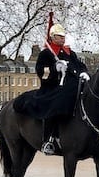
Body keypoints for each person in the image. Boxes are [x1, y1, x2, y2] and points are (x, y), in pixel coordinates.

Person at [35, 23, 90, 155]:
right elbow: (41, 72)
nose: (62, 39)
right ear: (53, 37)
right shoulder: (46, 53)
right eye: (59, 36)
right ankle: (48, 139)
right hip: (53, 87)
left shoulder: (69, 52)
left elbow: (79, 65)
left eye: (63, 36)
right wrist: (55, 68)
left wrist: (83, 72)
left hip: (73, 86)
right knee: (55, 105)